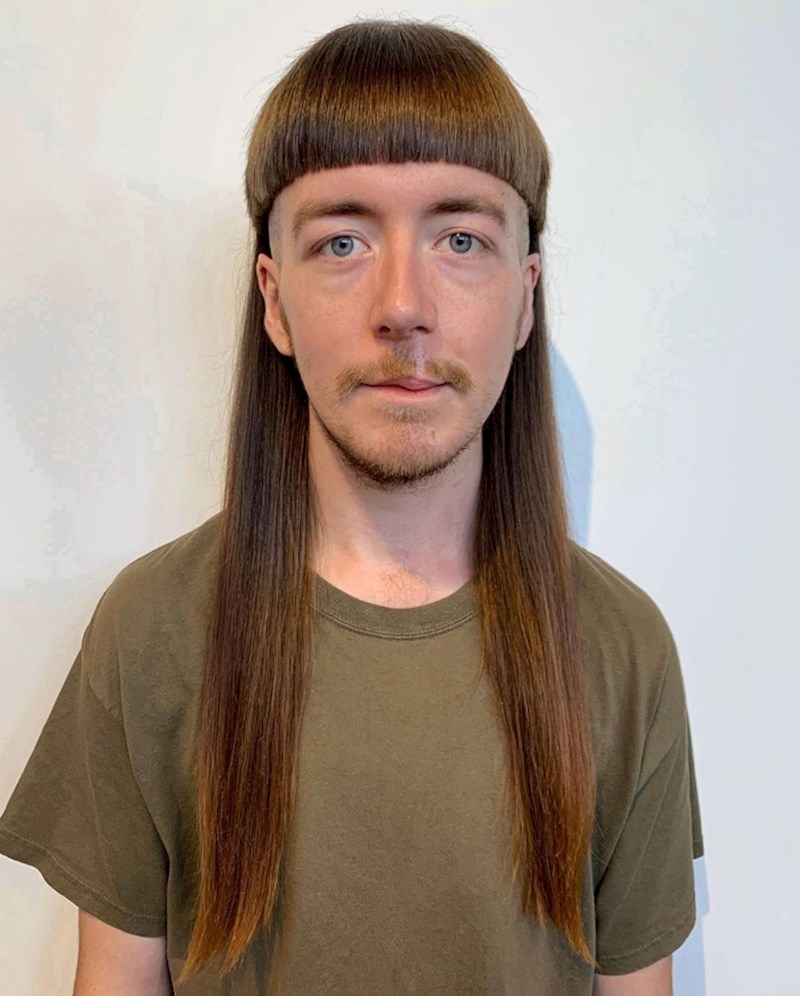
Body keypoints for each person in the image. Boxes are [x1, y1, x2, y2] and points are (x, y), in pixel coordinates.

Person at [0, 17, 704, 995]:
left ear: (525, 297)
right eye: (342, 241)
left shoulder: (620, 649)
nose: (402, 304)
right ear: (273, 299)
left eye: (461, 239)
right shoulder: (152, 631)